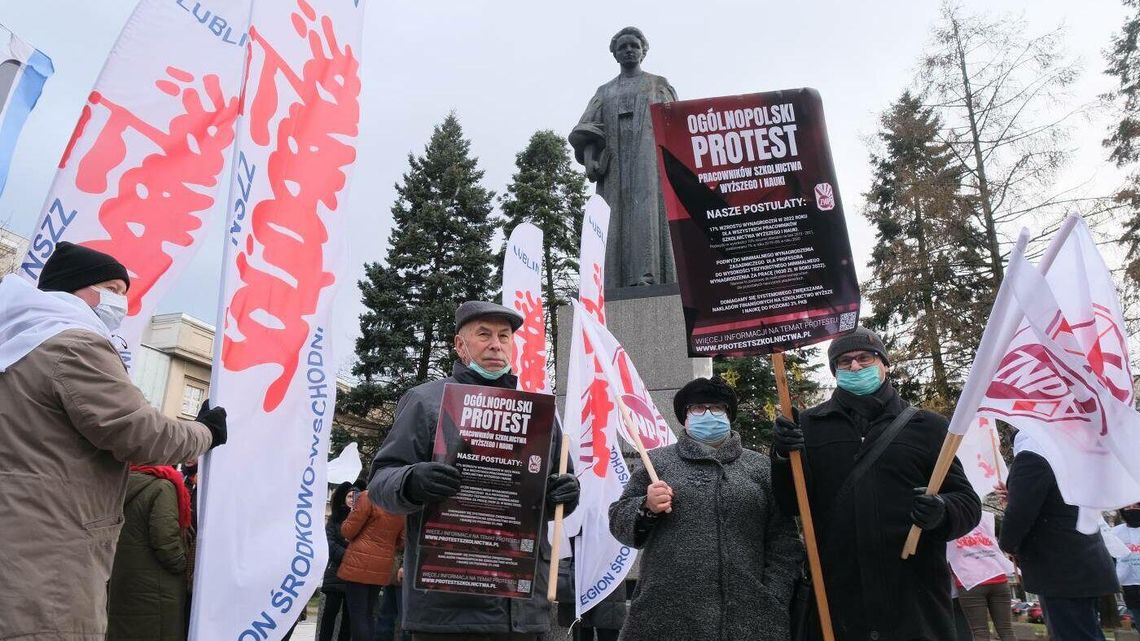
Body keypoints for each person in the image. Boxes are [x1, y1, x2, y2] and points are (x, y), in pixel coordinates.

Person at [0, 242, 227, 640]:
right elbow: (141, 434)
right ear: (74, 288)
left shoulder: (17, 343)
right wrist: (205, 432)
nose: (119, 301)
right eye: (111, 288)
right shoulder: (73, 344)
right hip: (49, 549)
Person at [369, 300, 580, 641]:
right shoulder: (427, 402)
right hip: (448, 610)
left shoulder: (537, 413)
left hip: (524, 609)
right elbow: (381, 482)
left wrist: (566, 494)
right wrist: (411, 481)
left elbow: (555, 494)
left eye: (504, 335)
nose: (496, 344)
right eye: (484, 334)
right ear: (460, 345)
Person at [771, 326, 981, 641]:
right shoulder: (808, 427)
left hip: (913, 598)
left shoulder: (927, 428)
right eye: (844, 361)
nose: (855, 366)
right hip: (838, 600)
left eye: (864, 358)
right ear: (835, 370)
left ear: (884, 363)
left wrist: (941, 511)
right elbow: (791, 503)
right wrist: (782, 456)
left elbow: (967, 503)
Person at [609, 376, 804, 641]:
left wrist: (773, 595)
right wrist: (646, 506)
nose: (708, 414)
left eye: (717, 408)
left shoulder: (760, 468)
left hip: (748, 618)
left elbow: (784, 541)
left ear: (729, 414)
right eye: (698, 409)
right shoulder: (657, 464)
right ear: (685, 417)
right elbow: (619, 522)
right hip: (664, 617)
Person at [570, 26, 677, 288]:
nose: (629, 50)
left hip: (648, 163)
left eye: (634, 46)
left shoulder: (657, 84)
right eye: (623, 47)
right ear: (616, 55)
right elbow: (587, 127)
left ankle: (649, 278)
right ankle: (612, 283)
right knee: (613, 218)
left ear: (643, 52)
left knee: (647, 214)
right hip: (614, 167)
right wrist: (590, 157)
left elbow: (675, 124)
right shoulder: (604, 91)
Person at [998, 431, 1119, 641]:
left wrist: (1007, 543)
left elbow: (1020, 513)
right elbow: (1055, 502)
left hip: (1060, 568)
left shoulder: (1030, 454)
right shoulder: (1066, 452)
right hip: (1084, 561)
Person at [107, 466, 195, 640]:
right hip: (158, 590)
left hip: (122, 584)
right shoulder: (163, 487)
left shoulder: (115, 484)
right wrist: (184, 565)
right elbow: (166, 543)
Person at [338, 487, 405, 641]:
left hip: (358, 563)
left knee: (357, 615)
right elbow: (402, 539)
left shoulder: (368, 496)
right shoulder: (401, 502)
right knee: (368, 613)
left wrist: (349, 517)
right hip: (383, 564)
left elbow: (348, 531)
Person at [318, 481, 362, 641]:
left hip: (355, 577)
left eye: (356, 496)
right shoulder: (334, 520)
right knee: (329, 614)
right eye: (349, 496)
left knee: (348, 619)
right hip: (335, 574)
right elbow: (329, 543)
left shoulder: (364, 521)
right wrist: (350, 556)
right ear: (344, 498)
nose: (352, 499)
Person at [1114, 504, 1140, 629]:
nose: (1132, 510)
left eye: (1136, 506)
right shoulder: (1115, 532)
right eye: (1128, 507)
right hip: (1130, 586)